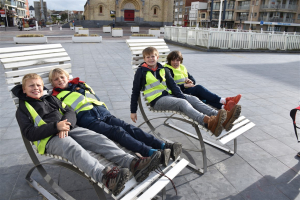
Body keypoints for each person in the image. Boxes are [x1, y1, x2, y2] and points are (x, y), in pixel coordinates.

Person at [13, 73, 161, 196]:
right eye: (31, 86)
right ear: (24, 90)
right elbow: (29, 133)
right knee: (73, 148)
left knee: (99, 139)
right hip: (49, 139)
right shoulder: (22, 109)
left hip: (69, 128)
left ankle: (132, 163)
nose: (36, 88)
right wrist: (55, 127)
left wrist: (66, 124)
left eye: (38, 85)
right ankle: (106, 178)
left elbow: (70, 111)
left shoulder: (51, 98)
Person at [48, 68, 182, 166]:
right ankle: (149, 152)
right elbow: (66, 113)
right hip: (88, 120)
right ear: (52, 83)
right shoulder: (56, 97)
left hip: (102, 113)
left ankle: (163, 145)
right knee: (117, 132)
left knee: (129, 127)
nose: (60, 80)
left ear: (67, 77)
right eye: (56, 79)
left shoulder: (80, 85)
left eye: (62, 77)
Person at [130, 47, 241, 137]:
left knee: (192, 99)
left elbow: (173, 86)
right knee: (182, 103)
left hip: (169, 96)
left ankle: (221, 117)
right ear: (144, 59)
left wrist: (183, 97)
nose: (150, 59)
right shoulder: (141, 72)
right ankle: (208, 123)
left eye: (153, 56)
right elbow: (135, 92)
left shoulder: (164, 70)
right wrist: (133, 111)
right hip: (156, 101)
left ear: (157, 57)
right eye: (147, 57)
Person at [164, 51, 241, 111]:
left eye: (177, 60)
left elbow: (193, 79)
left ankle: (223, 107)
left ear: (180, 61)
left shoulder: (182, 67)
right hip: (179, 93)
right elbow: (170, 86)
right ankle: (224, 100)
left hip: (188, 89)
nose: (175, 62)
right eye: (173, 60)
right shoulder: (168, 70)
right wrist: (184, 85)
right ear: (169, 61)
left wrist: (190, 81)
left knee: (202, 96)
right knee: (199, 88)